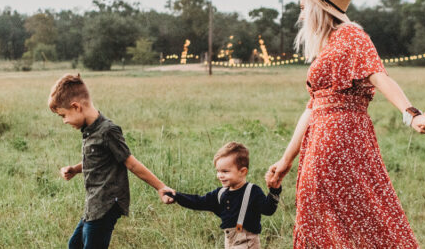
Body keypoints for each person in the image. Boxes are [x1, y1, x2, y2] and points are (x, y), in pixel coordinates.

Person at [265, 0, 425, 249]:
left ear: (319, 9)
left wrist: (411, 114)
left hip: (344, 145)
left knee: (369, 219)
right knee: (325, 221)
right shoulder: (328, 45)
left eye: (304, 9)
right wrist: (286, 161)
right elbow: (313, 106)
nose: (301, 17)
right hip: (319, 146)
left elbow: (380, 76)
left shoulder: (351, 36)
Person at [49, 73, 175, 249]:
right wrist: (75, 169)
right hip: (93, 203)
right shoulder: (89, 130)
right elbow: (99, 160)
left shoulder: (108, 131)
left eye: (63, 115)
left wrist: (161, 187)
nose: (64, 121)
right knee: (74, 245)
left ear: (76, 106)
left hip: (106, 204)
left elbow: (130, 162)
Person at [164, 142, 281, 249]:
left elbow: (268, 209)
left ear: (243, 171)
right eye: (218, 171)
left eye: (225, 171)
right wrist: (177, 196)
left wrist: (274, 190)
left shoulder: (252, 191)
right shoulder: (220, 193)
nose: (220, 175)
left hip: (247, 242)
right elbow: (198, 202)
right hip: (229, 242)